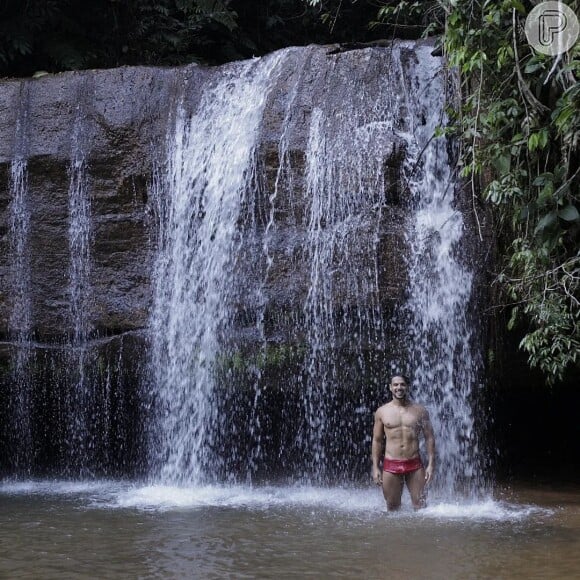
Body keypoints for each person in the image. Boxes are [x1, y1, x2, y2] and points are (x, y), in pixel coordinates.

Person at [371, 374, 435, 510]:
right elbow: (377, 441)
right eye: (395, 385)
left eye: (402, 384)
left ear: (407, 387)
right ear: (390, 388)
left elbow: (429, 437)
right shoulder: (382, 412)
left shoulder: (420, 411)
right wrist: (375, 467)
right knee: (392, 509)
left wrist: (431, 464)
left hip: (415, 464)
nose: (399, 387)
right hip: (391, 464)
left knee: (421, 507)